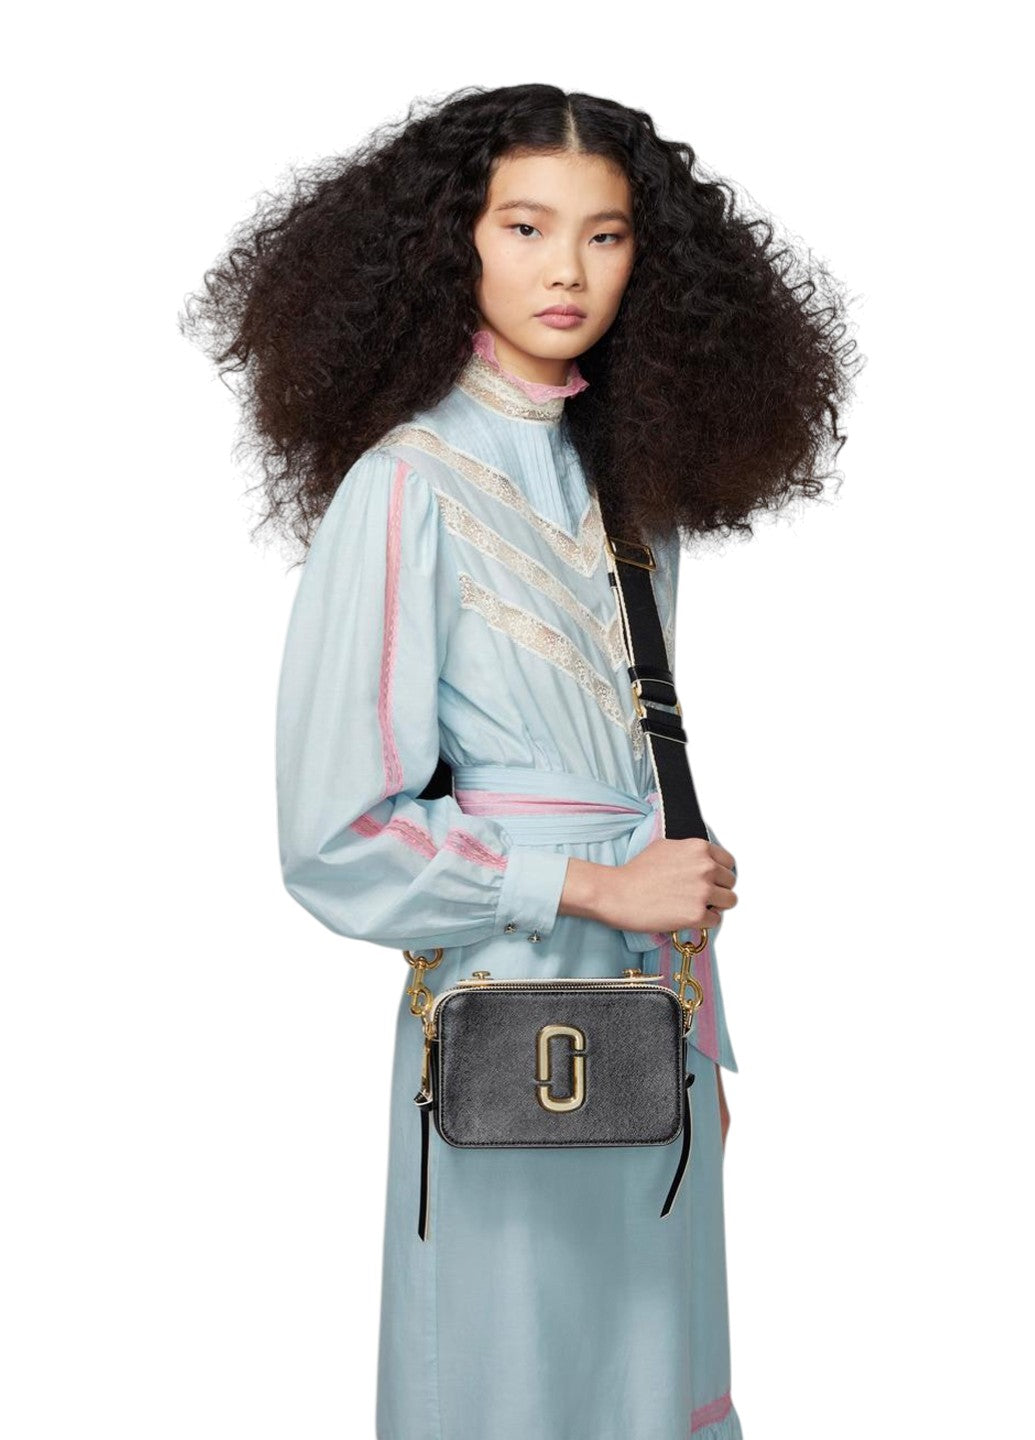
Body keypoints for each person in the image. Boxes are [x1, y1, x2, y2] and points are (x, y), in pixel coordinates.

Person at [182, 82, 858, 1440]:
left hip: (649, 998)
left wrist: (687, 974)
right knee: (510, 1370)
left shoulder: (634, 497)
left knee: (651, 1369)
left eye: (606, 236)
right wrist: (597, 887)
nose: (567, 271)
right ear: (458, 244)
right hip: (507, 1004)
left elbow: (634, 767)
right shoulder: (406, 484)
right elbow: (335, 834)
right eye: (526, 227)